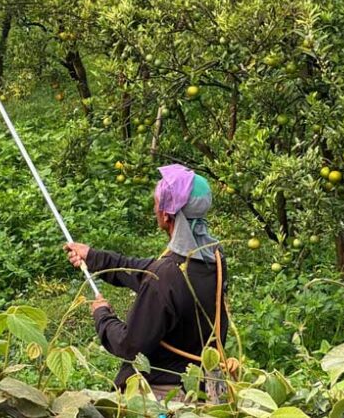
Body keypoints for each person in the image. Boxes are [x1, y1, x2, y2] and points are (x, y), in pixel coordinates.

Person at [65, 164, 227, 396]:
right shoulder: (215, 260)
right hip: (206, 386)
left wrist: (102, 316)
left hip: (168, 396)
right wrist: (94, 257)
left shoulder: (166, 275)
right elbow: (147, 271)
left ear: (165, 214)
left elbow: (131, 346)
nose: (154, 208)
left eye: (156, 203)